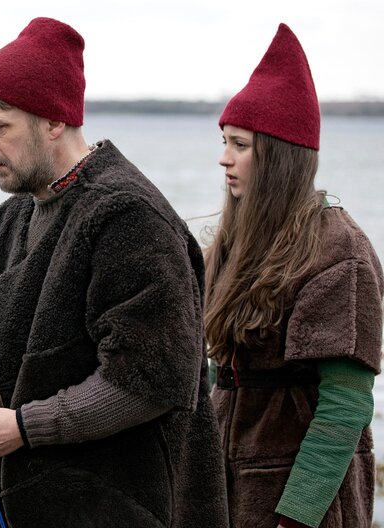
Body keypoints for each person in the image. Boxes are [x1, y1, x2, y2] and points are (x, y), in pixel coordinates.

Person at [0, 17, 229, 528]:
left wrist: (21, 427)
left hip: (133, 508)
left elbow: (151, 380)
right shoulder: (12, 217)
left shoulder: (127, 216)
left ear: (54, 120)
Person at [206, 23, 383, 528]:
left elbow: (346, 406)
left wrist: (297, 518)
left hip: (300, 506)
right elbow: (222, 374)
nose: (224, 157)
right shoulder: (241, 241)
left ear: (279, 155)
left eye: (240, 144)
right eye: (225, 141)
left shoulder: (340, 252)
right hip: (229, 489)